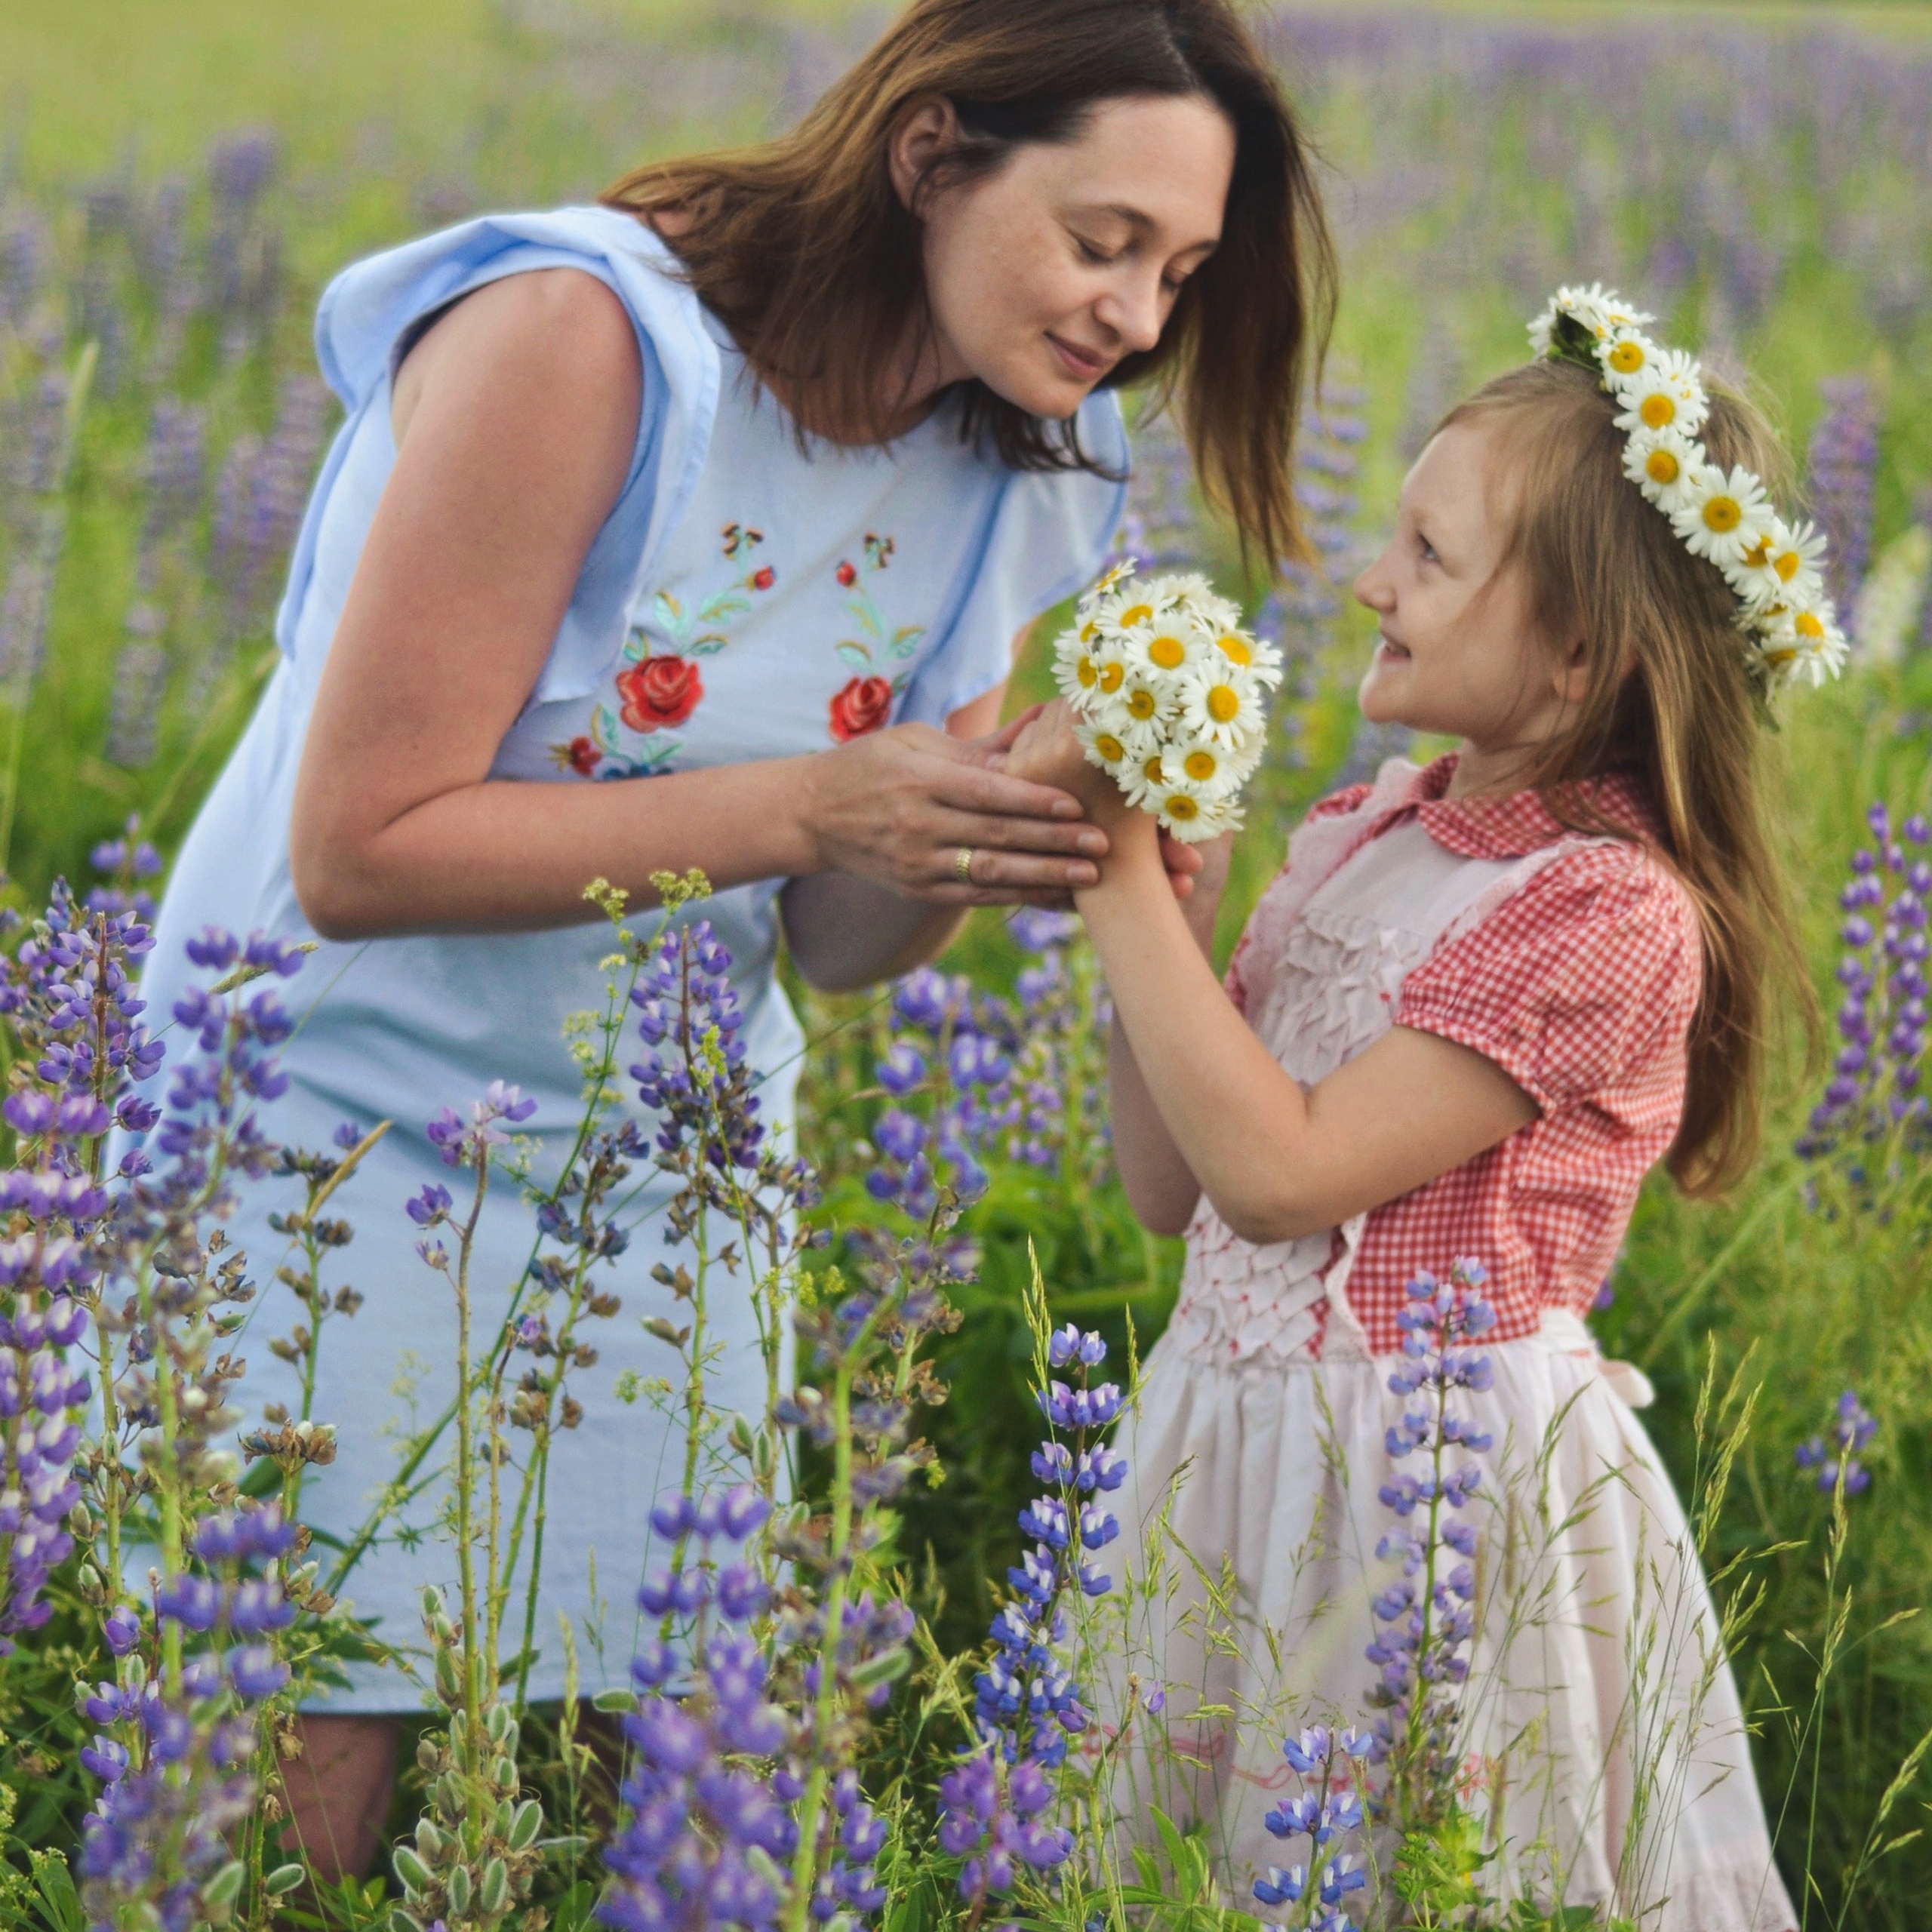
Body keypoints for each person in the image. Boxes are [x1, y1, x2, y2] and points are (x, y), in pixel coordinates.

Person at [126, 0, 1337, 1882]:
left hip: (669, 1143)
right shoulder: (583, 339)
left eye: (1175, 273)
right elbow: (361, 845)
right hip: (328, 1110)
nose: (1135, 316)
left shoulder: (1034, 464)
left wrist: (996, 817)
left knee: (656, 1769)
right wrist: (810, 802)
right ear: (931, 153)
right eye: (1103, 242)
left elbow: (841, 947)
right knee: (311, 1760)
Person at [1001, 294, 1818, 1927]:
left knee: (1424, 1882)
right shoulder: (1367, 827)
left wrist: (1112, 883)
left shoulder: (1602, 911)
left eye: (1430, 558)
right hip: (1222, 1459)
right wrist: (1180, 895)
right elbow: (1174, 1184)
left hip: (1426, 1499)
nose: (1372, 580)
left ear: (1580, 654)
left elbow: (1284, 1169)